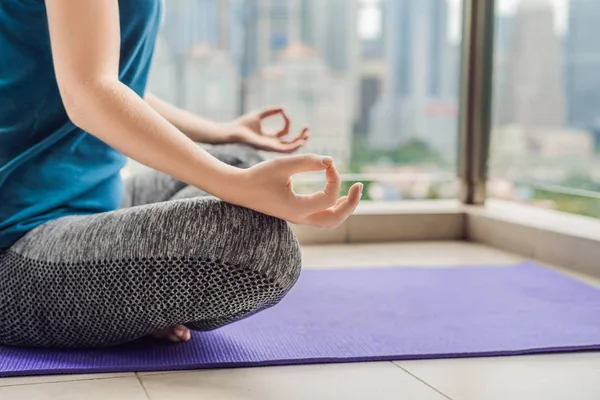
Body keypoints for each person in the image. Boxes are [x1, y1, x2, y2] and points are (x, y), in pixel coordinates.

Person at [0, 0, 362, 348]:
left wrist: (223, 133)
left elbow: (116, 81)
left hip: (98, 200)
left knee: (240, 158)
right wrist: (236, 188)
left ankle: (138, 297)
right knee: (261, 248)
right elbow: (90, 90)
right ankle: (140, 297)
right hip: (16, 238)